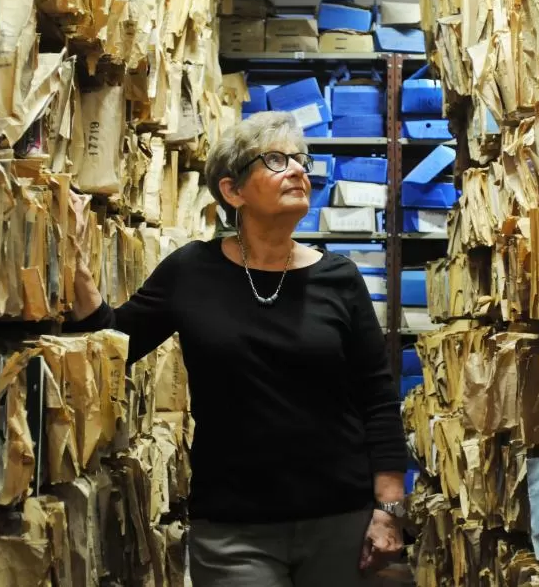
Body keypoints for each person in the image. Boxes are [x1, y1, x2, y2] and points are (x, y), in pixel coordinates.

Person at [68, 111, 408, 587]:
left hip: (340, 521)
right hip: (233, 525)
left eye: (300, 159)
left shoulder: (340, 279)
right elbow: (115, 346)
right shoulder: (191, 271)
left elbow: (377, 397)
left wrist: (388, 508)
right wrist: (78, 273)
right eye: (275, 159)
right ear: (232, 191)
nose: (297, 170)